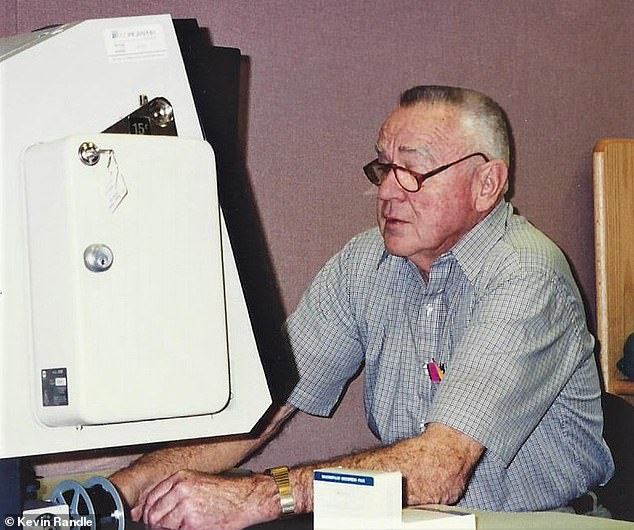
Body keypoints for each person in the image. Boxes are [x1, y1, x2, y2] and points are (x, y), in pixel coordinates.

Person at [110, 85, 614, 529]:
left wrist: (260, 494)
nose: (388, 191)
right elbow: (260, 411)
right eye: (383, 167)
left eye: (413, 170)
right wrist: (125, 487)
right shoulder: (364, 262)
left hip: (541, 522)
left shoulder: (527, 275)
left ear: (487, 184)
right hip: (418, 520)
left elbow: (440, 469)